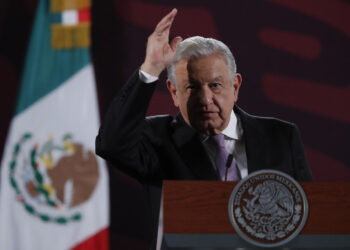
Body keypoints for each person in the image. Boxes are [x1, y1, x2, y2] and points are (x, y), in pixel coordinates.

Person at [95, 8, 313, 248]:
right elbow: (111, 144)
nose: (205, 99)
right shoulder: (157, 139)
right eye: (192, 88)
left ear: (236, 86)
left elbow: (312, 218)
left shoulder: (280, 137)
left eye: (216, 85)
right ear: (174, 92)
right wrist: (150, 69)